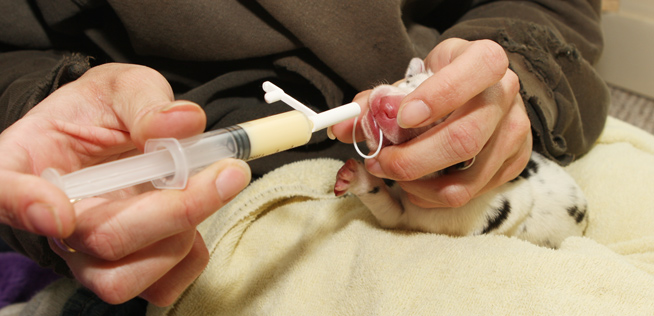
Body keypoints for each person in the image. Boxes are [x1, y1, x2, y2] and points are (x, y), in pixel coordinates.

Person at [0, 0, 609, 309]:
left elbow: (553, 13)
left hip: (523, 137)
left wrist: (511, 73)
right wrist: (36, 108)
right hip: (198, 181)